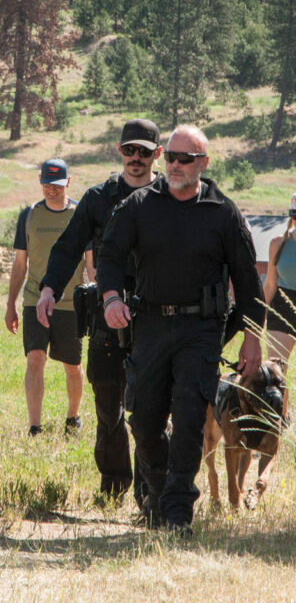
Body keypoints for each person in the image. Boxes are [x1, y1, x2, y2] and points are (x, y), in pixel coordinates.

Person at [98, 124, 263, 535]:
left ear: (202, 164)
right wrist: (111, 298)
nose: (173, 165)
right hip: (149, 325)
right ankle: (158, 496)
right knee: (145, 421)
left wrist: (252, 338)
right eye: (169, 157)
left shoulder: (223, 212)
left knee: (190, 416)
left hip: (201, 329)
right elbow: (110, 256)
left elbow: (247, 282)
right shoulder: (139, 205)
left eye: (183, 159)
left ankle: (177, 513)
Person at [36, 119, 162, 503]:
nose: (136, 158)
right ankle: (113, 486)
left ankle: (151, 491)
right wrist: (48, 290)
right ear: (119, 150)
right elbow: (68, 247)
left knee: (151, 411)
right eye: (129, 150)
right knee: (108, 409)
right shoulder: (98, 198)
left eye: (144, 151)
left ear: (157, 154)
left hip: (155, 318)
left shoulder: (170, 197)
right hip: (106, 319)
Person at [5, 158, 88, 437]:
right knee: (35, 358)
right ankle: (34, 426)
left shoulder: (80, 215)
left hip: (70, 303)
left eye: (57, 184)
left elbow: (91, 263)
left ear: (68, 182)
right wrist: (10, 306)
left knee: (72, 365)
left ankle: (72, 418)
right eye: (46, 183)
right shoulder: (28, 215)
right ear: (40, 181)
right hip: (34, 299)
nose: (51, 189)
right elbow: (20, 265)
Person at [263, 193, 296, 373]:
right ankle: (278, 403)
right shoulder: (278, 244)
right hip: (282, 306)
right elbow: (269, 284)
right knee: (276, 373)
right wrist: (259, 318)